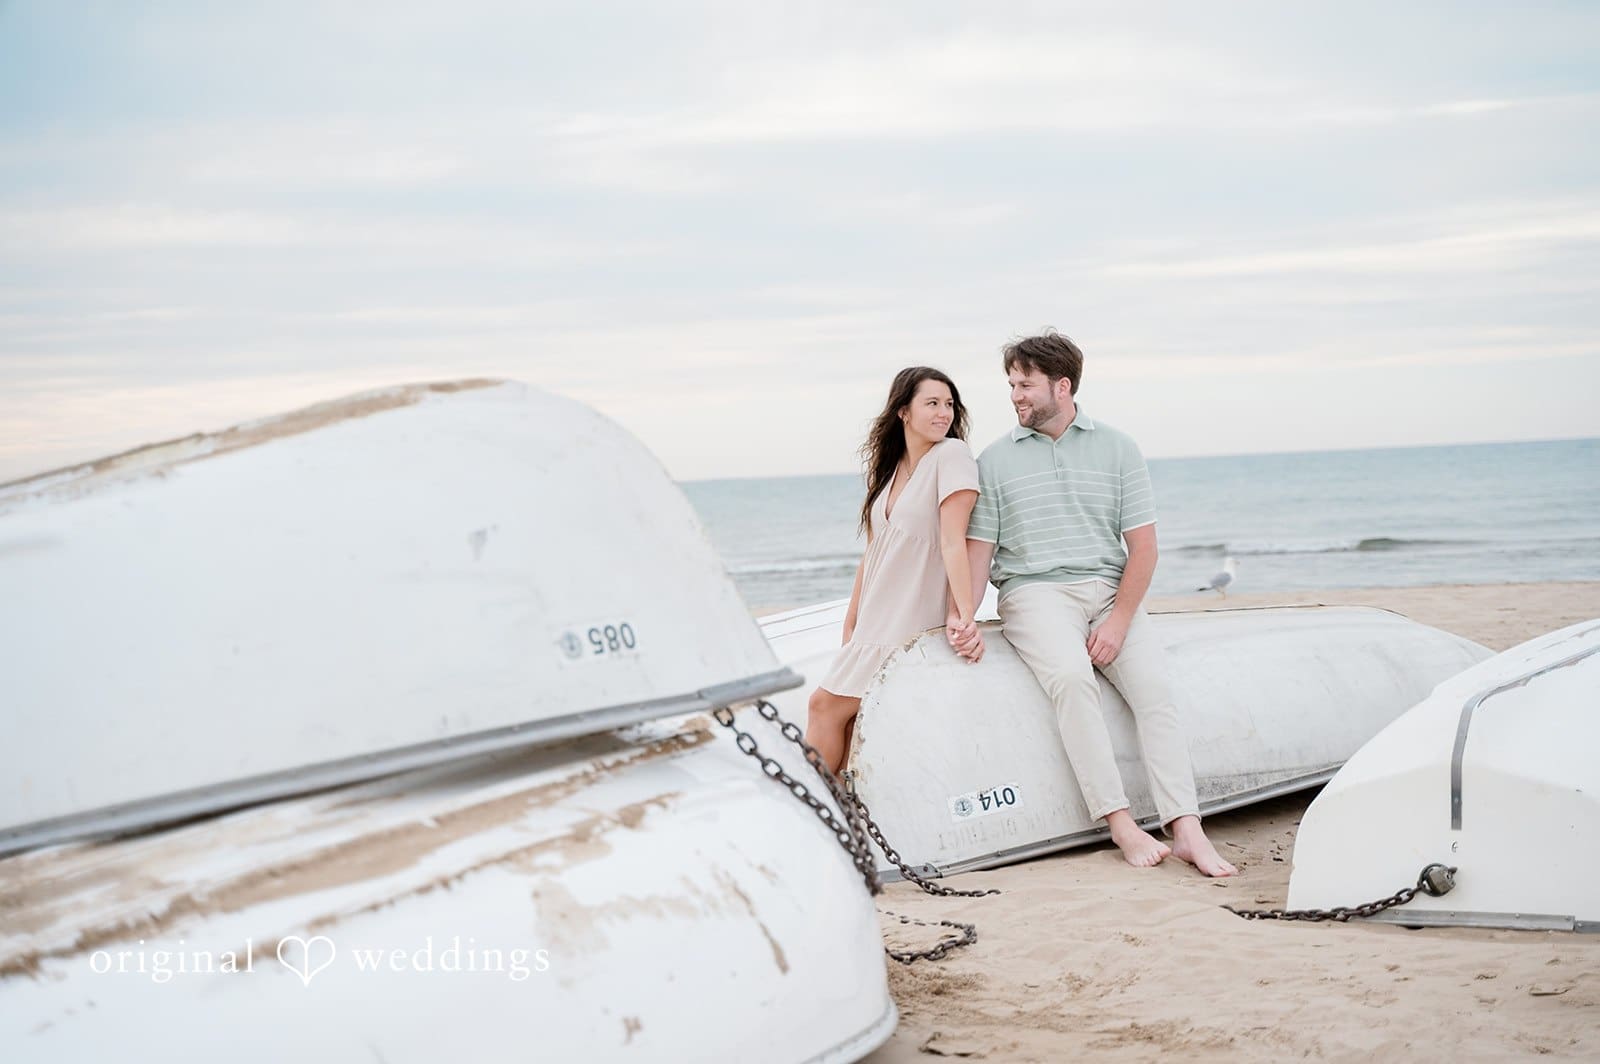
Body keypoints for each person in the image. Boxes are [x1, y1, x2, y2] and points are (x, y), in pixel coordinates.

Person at [947, 331, 1236, 877]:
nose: (1015, 395)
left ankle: (1187, 828)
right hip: (1034, 593)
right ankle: (1120, 824)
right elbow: (978, 555)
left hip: (1108, 590)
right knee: (1073, 681)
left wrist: (1120, 620)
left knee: (1155, 695)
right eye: (1011, 384)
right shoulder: (994, 460)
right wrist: (959, 615)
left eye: (1025, 384)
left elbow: (1144, 549)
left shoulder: (1118, 448)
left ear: (1062, 385)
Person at [806, 367, 981, 775]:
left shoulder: (952, 456)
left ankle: (812, 811)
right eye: (932, 403)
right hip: (874, 619)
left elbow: (955, 543)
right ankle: (842, 822)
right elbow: (873, 554)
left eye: (949, 404)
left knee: (823, 705)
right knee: (850, 725)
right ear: (903, 411)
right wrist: (852, 620)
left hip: (909, 617)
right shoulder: (890, 469)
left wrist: (964, 615)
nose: (944, 413)